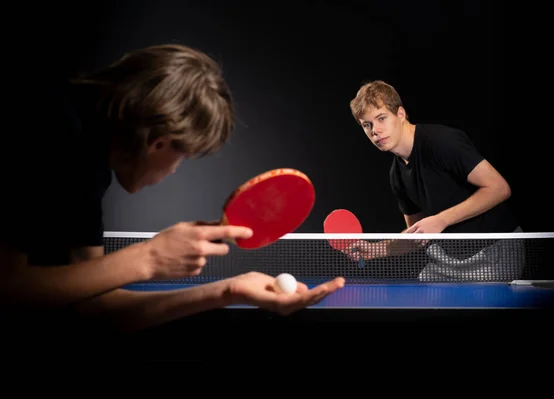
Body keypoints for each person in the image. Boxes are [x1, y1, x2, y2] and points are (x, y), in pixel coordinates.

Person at [0, 44, 345, 339]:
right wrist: (149, 258)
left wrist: (228, 291)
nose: (176, 168)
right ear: (158, 142)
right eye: (182, 156)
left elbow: (93, 305)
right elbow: (9, 291)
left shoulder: (93, 162)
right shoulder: (45, 127)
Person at [346, 80, 524, 281]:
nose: (375, 130)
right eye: (367, 125)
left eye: (381, 118)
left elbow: (499, 188)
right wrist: (376, 249)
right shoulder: (397, 175)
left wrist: (442, 219)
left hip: (493, 253)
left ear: (401, 114)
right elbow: (417, 234)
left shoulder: (441, 142)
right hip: (447, 262)